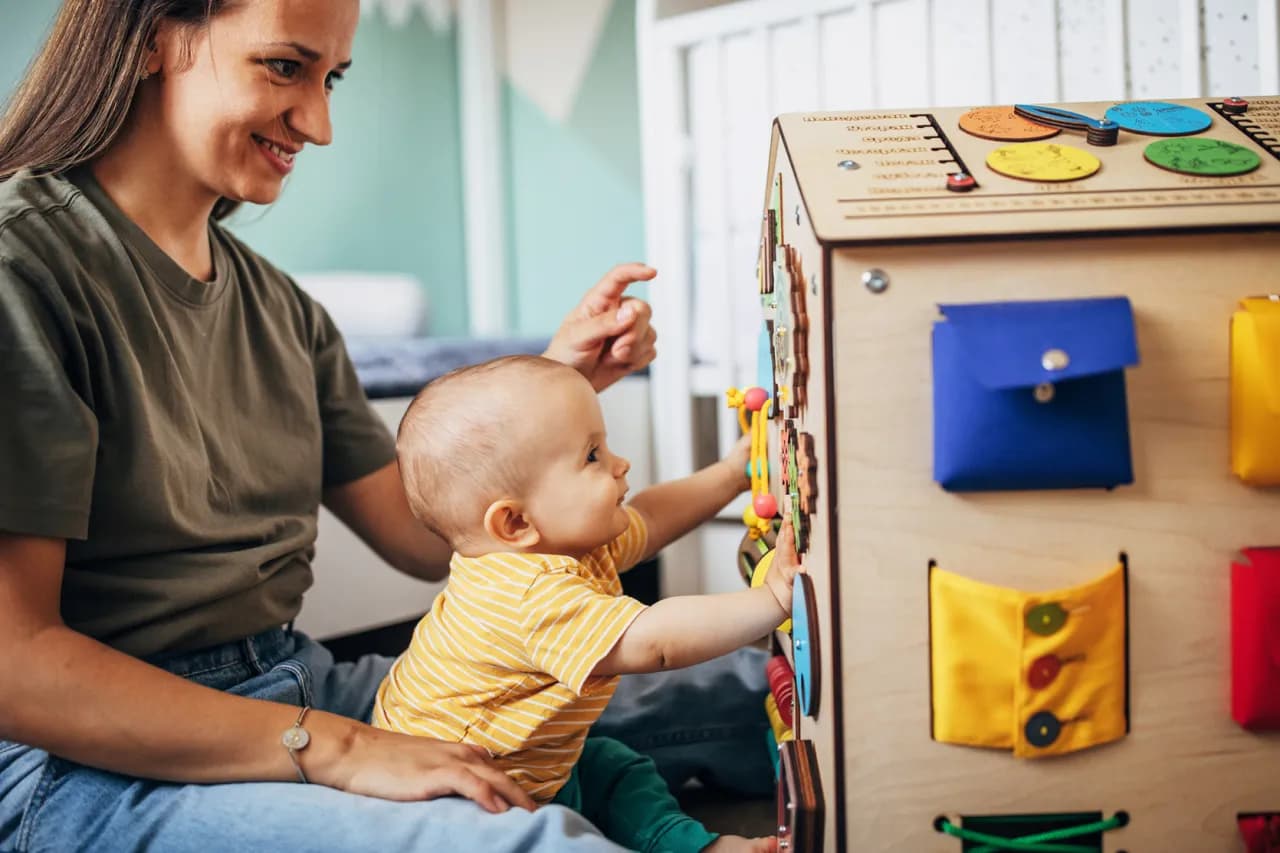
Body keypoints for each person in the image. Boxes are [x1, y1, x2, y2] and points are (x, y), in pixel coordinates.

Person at [0, 1, 773, 850]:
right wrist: (341, 748)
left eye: (330, 79)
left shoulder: (283, 310)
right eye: (285, 67)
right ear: (153, 35)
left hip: (291, 677)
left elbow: (433, 534)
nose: (320, 125)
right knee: (520, 837)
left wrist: (545, 399)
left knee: (738, 685)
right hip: (89, 759)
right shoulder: (22, 269)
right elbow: (18, 666)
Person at [374, 356, 801, 853]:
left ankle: (687, 844)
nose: (621, 464)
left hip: (538, 764)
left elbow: (651, 519)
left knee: (614, 768)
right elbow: (656, 643)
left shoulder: (559, 542)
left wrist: (731, 475)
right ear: (514, 522)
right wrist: (770, 598)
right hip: (469, 805)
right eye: (593, 456)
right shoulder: (527, 595)